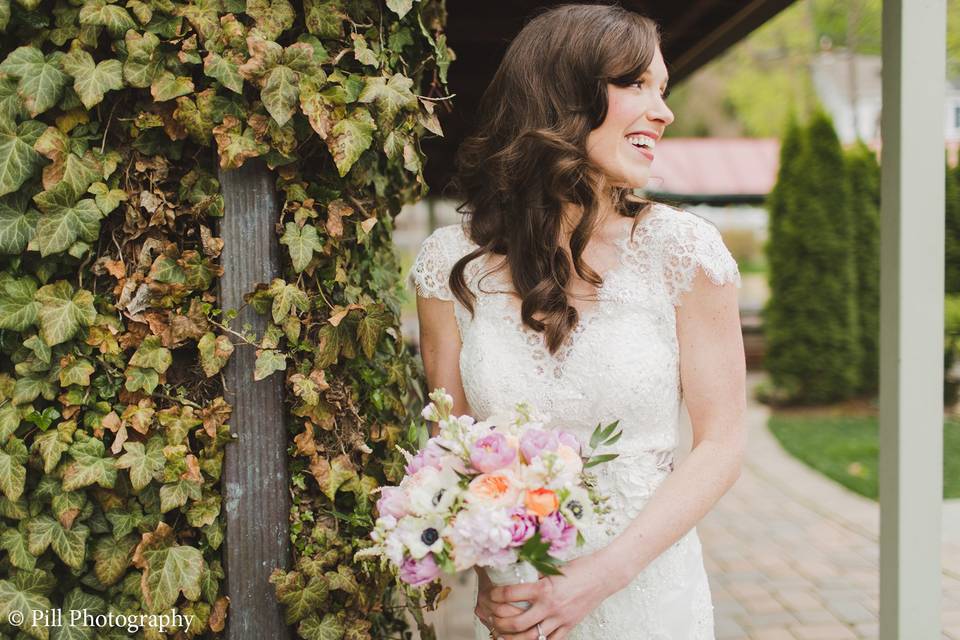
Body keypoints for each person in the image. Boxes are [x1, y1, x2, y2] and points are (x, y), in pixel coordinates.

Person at [406, 4, 746, 639]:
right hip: (523, 608)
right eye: (636, 84)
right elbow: (451, 452)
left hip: (648, 593)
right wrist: (490, 576)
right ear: (562, 96)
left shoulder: (684, 253)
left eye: (663, 90)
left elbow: (722, 445)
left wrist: (596, 578)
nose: (664, 111)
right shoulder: (447, 265)